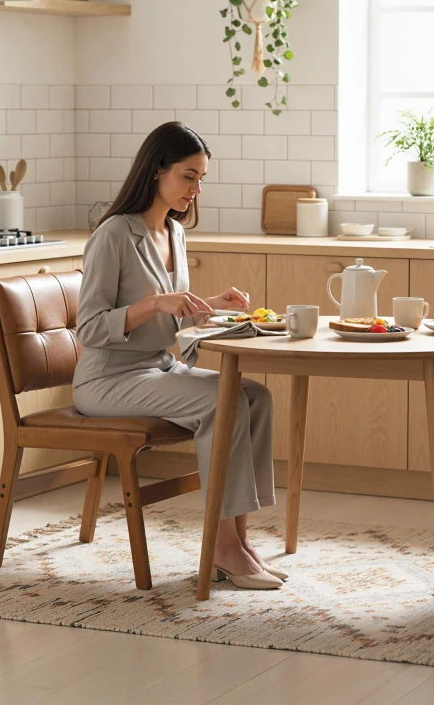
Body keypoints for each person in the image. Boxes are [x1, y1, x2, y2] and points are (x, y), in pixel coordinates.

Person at [73, 121, 284, 590]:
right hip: (107, 380)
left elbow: (169, 319)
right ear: (156, 171)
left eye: (202, 177)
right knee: (222, 401)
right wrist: (154, 302)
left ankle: (239, 540)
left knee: (255, 396)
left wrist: (208, 306)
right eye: (188, 176)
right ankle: (223, 548)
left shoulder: (173, 231)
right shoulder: (113, 235)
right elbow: (88, 327)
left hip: (156, 367)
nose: (196, 188)